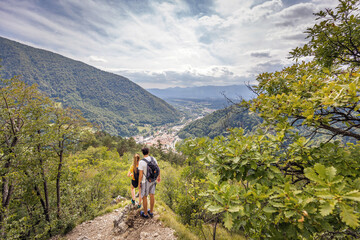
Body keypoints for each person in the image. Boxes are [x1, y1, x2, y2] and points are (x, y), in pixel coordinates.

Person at [138, 147, 161, 218]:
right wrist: (159, 177)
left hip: (145, 181)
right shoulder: (153, 158)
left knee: (144, 197)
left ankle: (145, 213)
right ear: (148, 152)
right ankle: (151, 212)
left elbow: (141, 175)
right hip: (153, 180)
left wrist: (139, 183)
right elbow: (158, 168)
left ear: (142, 153)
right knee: (152, 195)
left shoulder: (141, 162)